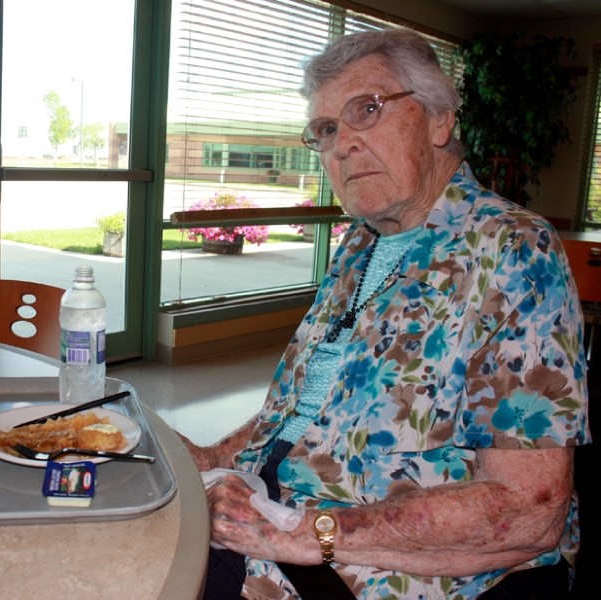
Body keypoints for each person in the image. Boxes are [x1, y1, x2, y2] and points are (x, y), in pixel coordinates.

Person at [178, 27, 592, 600]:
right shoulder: (361, 243)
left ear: (440, 120)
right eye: (326, 130)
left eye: (366, 110)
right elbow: (310, 406)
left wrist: (308, 532)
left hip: (376, 567)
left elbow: (529, 511)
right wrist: (210, 458)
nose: (342, 144)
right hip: (274, 505)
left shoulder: (514, 249)